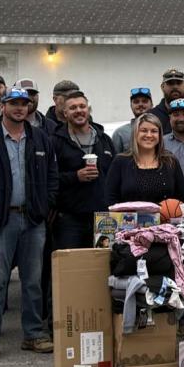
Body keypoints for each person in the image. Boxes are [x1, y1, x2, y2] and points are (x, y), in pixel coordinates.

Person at [0, 87, 58, 362]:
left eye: (24, 104)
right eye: (13, 103)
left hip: (32, 219)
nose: (19, 108)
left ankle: (33, 334)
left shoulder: (40, 138)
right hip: (0, 221)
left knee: (32, 281)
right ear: (2, 106)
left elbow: (52, 177)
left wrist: (44, 206)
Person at [51, 91, 114, 251]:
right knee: (70, 267)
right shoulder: (55, 141)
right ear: (65, 113)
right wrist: (75, 176)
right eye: (73, 108)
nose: (78, 110)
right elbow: (48, 179)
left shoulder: (104, 140)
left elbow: (114, 177)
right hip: (69, 219)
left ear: (88, 110)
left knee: (102, 266)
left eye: (82, 106)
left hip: (103, 217)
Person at [106, 114, 184, 206]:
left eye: (154, 131)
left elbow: (180, 198)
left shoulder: (170, 161)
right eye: (144, 130)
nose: (149, 135)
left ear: (159, 135)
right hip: (128, 219)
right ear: (135, 133)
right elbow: (110, 198)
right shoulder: (120, 161)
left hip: (165, 219)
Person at [111, 87, 155, 154]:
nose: (140, 104)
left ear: (152, 105)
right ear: (131, 106)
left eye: (144, 101)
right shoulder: (120, 133)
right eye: (136, 102)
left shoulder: (159, 129)